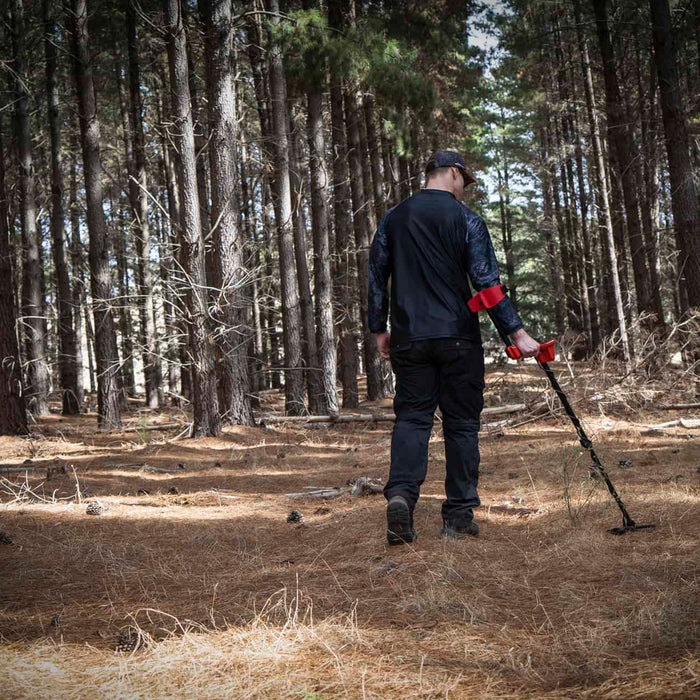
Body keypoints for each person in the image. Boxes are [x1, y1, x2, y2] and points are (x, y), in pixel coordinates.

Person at [368, 150, 540, 545]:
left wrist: (380, 330)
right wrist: (516, 333)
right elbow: (486, 283)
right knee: (461, 424)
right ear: (453, 174)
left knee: (412, 419)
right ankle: (459, 516)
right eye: (465, 181)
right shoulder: (467, 220)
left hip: (410, 337)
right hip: (459, 338)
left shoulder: (394, 218)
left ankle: (401, 497)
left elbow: (376, 276)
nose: (465, 190)